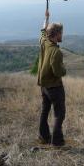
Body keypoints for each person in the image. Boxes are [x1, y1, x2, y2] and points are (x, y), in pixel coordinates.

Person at [37, 9, 67, 146]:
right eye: (61, 33)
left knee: (44, 111)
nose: (62, 35)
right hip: (55, 87)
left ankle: (43, 137)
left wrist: (46, 18)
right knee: (59, 114)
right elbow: (58, 72)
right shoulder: (56, 51)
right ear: (56, 35)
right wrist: (64, 70)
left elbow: (43, 31)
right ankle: (57, 142)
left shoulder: (44, 41)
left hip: (44, 86)